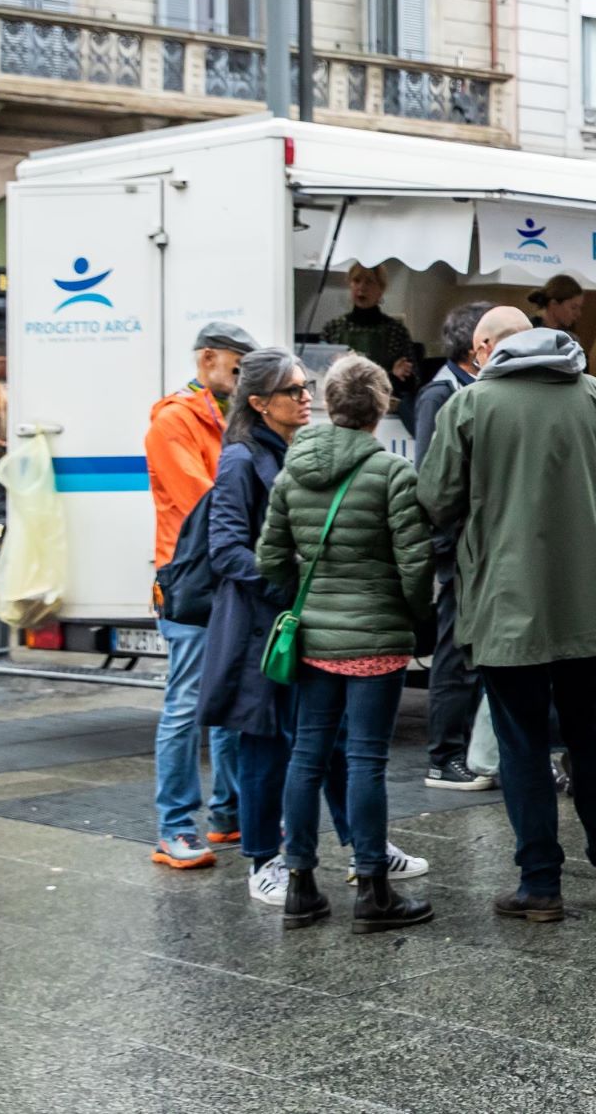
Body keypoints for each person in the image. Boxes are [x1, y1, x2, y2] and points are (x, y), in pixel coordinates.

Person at [418, 307, 596, 921]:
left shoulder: (470, 407)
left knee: (521, 744)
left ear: (489, 349)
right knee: (591, 733)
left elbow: (436, 499)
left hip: (504, 603)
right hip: (587, 600)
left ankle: (541, 885)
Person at [201, 351, 426, 906]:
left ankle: (341, 854)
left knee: (319, 748)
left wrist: (310, 591)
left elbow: (280, 544)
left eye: (308, 389)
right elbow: (228, 547)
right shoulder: (242, 458)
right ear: (258, 403)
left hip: (308, 623)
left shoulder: (297, 456)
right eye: (292, 390)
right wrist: (301, 589)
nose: (304, 398)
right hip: (269, 625)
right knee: (273, 745)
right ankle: (266, 859)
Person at [257, 355, 435, 933]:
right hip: (378, 640)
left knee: (306, 758)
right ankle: (373, 889)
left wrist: (311, 592)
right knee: (365, 762)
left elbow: (269, 560)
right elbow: (414, 565)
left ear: (330, 404)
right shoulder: (392, 474)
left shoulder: (291, 473)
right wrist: (416, 620)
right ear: (381, 406)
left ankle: (302, 889)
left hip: (313, 641)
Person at [146, 321, 255, 869]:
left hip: (222, 576)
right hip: (188, 581)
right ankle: (174, 827)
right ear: (207, 358)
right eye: (236, 366)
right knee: (187, 704)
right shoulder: (173, 420)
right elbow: (204, 500)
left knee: (231, 695)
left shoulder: (225, 419)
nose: (240, 377)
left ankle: (229, 817)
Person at [418, 301, 496, 792]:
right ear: (477, 347)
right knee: (453, 654)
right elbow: (434, 480)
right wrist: (447, 550)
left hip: (480, 548)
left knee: (474, 656)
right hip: (457, 551)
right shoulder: (440, 394)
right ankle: (443, 756)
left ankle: (470, 750)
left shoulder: (476, 391)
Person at [320, 263, 419, 417]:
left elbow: (413, 382)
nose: (362, 287)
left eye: (369, 282)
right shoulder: (333, 328)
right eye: (356, 280)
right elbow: (319, 374)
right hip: (340, 410)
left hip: (382, 413)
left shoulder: (395, 331)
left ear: (381, 289)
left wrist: (398, 375)